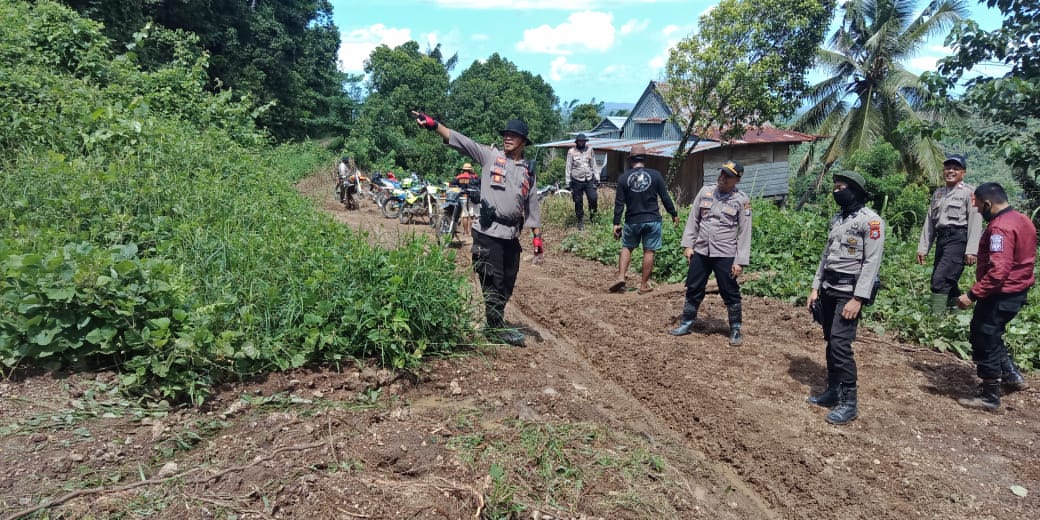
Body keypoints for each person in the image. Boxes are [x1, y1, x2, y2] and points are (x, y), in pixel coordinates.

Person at [412, 110, 543, 346]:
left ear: (523, 141)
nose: (508, 138)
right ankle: (495, 327)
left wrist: (537, 238)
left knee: (508, 280)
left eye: (514, 135)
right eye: (506, 134)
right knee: (492, 279)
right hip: (487, 232)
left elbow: (532, 205)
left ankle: (495, 321)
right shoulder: (490, 156)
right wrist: (434, 125)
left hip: (511, 234)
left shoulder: (528, 171)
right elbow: (462, 141)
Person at [805, 171, 885, 425]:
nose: (837, 191)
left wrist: (858, 298)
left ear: (856, 191)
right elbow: (825, 256)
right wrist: (815, 288)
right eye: (836, 187)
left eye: (842, 187)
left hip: (849, 292)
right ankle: (833, 389)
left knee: (840, 345)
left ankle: (850, 402)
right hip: (828, 287)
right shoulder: (838, 219)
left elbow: (872, 262)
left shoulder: (871, 221)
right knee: (831, 341)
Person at [955, 182, 1034, 411]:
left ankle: (990, 394)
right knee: (993, 332)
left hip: (1000, 294)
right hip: (1018, 290)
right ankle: (1011, 375)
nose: (979, 211)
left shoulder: (1000, 228)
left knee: (984, 336)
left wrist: (972, 294)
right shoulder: (1023, 219)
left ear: (988, 203)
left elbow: (999, 270)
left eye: (979, 206)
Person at [669, 160, 752, 347]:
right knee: (693, 286)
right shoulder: (705, 192)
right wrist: (688, 245)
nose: (722, 177)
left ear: (737, 180)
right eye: (722, 173)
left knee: (730, 291)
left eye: (728, 175)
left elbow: (745, 232)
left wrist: (740, 261)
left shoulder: (741, 200)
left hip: (725, 253)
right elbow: (694, 220)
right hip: (701, 250)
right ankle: (687, 322)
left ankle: (736, 328)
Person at [916, 153, 983, 315]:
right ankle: (955, 319)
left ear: (963, 173)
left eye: (955, 168)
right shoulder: (938, 193)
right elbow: (930, 222)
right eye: (948, 168)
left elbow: (976, 221)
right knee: (949, 281)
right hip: (942, 239)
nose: (950, 171)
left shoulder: (969, 193)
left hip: (958, 239)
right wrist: (923, 248)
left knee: (939, 280)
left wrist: (971, 250)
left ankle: (936, 320)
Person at [610, 145, 679, 294]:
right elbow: (665, 197)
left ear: (630, 160)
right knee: (649, 251)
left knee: (627, 247)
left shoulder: (623, 179)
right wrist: (673, 214)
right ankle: (643, 285)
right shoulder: (655, 175)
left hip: (632, 220)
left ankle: (621, 276)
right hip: (652, 219)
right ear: (644, 159)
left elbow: (619, 203)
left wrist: (616, 223)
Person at [566, 133, 600, 230]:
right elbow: (568, 166)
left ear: (585, 142)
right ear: (577, 142)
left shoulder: (590, 150)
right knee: (578, 201)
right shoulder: (571, 152)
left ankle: (593, 217)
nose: (581, 143)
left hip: (589, 179)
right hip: (576, 180)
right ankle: (580, 220)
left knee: (593, 198)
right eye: (580, 141)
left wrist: (597, 178)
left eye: (583, 141)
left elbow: (594, 164)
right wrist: (568, 181)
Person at [451, 163, 479, 237]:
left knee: (464, 215)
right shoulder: (474, 177)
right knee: (472, 215)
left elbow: (451, 184)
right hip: (471, 197)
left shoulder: (459, 177)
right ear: (470, 170)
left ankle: (465, 232)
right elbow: (479, 186)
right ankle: (472, 232)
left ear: (463, 170)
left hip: (462, 197)